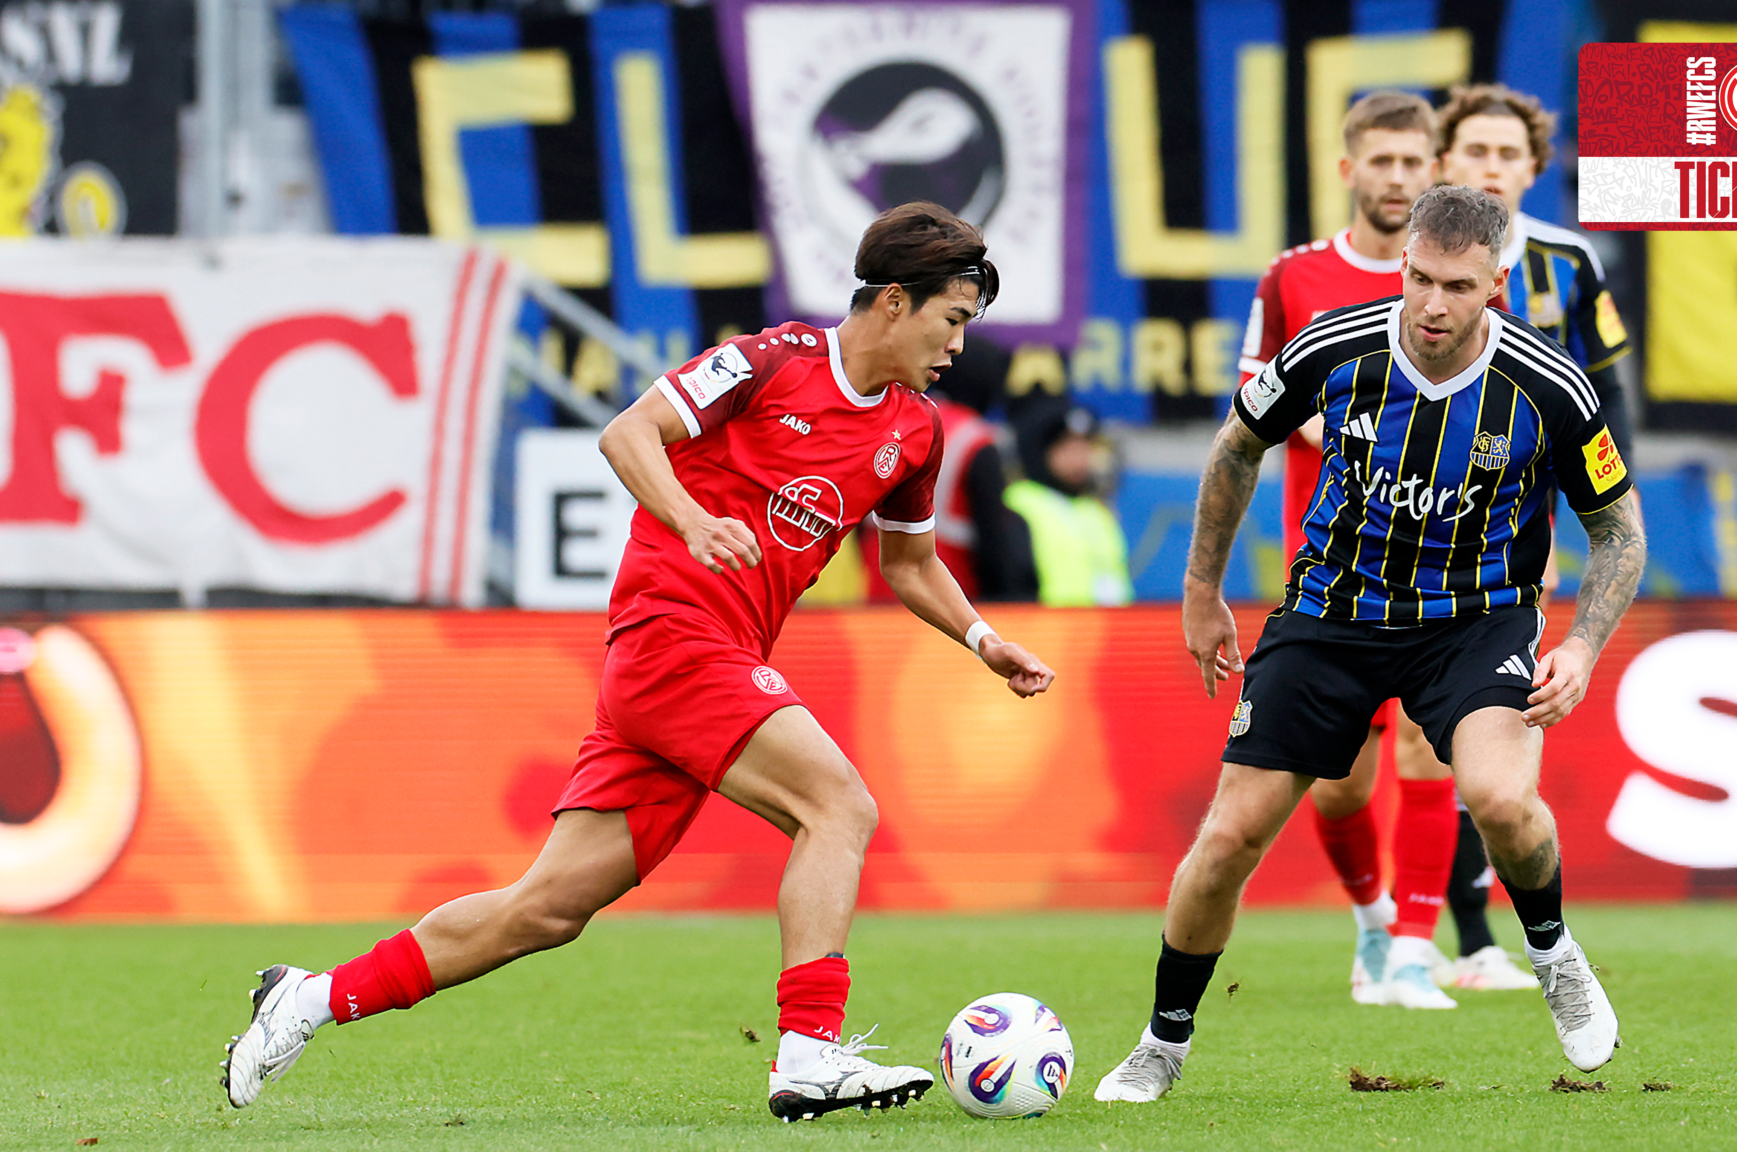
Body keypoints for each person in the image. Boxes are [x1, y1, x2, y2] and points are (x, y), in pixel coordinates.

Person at [218, 202, 1056, 1123]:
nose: (959, 345)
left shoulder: (914, 432)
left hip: (703, 664)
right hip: (672, 635)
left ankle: (306, 998)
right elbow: (629, 432)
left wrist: (982, 640)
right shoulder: (771, 360)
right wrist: (693, 521)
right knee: (838, 805)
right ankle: (809, 1051)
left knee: (544, 910)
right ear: (894, 301)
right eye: (953, 320)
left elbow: (909, 562)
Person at [1094, 186, 1647, 1103]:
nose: (1433, 306)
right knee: (1229, 836)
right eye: (1419, 279)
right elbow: (1237, 447)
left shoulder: (1552, 386)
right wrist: (1201, 591)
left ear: (1496, 283)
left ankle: (1552, 956)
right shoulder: (1330, 347)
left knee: (1501, 800)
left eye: (1458, 287)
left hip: (1475, 621)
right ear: (1404, 266)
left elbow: (1620, 532)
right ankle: (1162, 1039)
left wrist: (1583, 648)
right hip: (1331, 617)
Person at [1236, 90, 1469, 1009]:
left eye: (1415, 163)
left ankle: (1416, 948)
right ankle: (1374, 923)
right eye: (1383, 162)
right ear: (1349, 170)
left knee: (1427, 753)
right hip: (1334, 572)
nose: (1399, 178)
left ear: (1432, 170)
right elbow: (1256, 413)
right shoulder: (1292, 280)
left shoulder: (1458, 277)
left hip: (1446, 566)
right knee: (1336, 789)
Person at [1432, 83, 1637, 984]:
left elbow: (1605, 397)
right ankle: (1426, 931)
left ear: (1534, 168)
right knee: (1403, 743)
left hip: (1530, 528)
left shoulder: (1569, 261)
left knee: (1488, 729)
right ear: (1446, 163)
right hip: (1415, 526)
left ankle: (1471, 930)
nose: (1491, 166)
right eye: (1475, 150)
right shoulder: (1423, 260)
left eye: (1508, 154)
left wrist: (1605, 516)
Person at [859, 338, 1038, 602]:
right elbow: (994, 547)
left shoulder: (895, 423)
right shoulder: (976, 441)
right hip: (946, 608)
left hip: (876, 603)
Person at [1005, 400, 1133, 607]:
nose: (1080, 460)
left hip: (1107, 633)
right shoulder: (1019, 504)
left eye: (1085, 447)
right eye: (1066, 449)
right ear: (1039, 452)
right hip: (1047, 632)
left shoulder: (1096, 510)